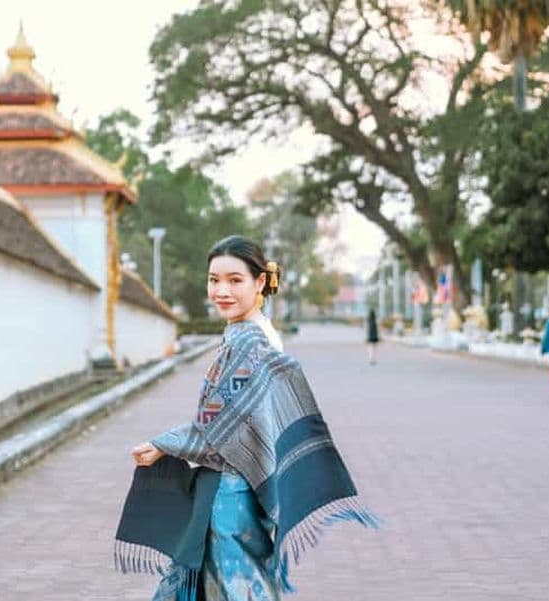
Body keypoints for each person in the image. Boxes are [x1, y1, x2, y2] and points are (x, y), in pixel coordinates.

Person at [115, 235, 379, 601]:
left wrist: (163, 445)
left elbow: (217, 428)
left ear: (260, 282)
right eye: (214, 280)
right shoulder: (249, 332)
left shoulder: (249, 343)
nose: (221, 290)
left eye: (235, 280)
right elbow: (233, 419)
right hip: (239, 488)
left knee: (238, 588)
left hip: (230, 496)